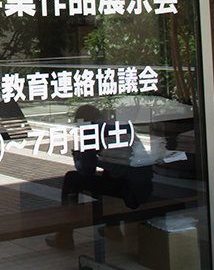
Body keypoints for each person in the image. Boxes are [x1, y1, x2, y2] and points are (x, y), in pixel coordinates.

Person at [46, 105, 153, 250]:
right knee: (107, 176)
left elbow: (87, 170)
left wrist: (77, 158)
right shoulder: (121, 126)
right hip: (144, 185)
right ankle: (112, 228)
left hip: (126, 189)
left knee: (71, 178)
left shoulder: (91, 130)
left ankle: (64, 236)